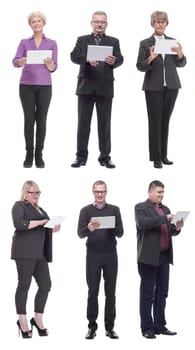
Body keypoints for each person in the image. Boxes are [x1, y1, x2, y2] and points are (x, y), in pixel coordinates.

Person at [70, 10, 123, 169]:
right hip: (86, 86)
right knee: (83, 123)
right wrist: (86, 59)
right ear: (91, 23)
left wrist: (114, 60)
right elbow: (73, 56)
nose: (99, 24)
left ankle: (105, 157)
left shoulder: (114, 41)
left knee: (105, 124)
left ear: (106, 24)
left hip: (105, 87)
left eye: (103, 22)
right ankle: (80, 157)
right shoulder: (82, 40)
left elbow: (120, 58)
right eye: (97, 21)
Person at [137, 11, 186, 169]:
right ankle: (156, 157)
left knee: (165, 121)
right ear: (152, 24)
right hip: (153, 87)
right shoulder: (145, 43)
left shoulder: (173, 41)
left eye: (162, 22)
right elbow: (139, 66)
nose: (160, 24)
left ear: (166, 24)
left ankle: (164, 155)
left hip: (171, 86)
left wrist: (180, 54)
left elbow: (181, 64)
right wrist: (150, 58)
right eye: (157, 22)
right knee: (155, 122)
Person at [135, 180, 184, 339]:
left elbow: (169, 231)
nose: (161, 195)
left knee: (162, 293)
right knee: (147, 294)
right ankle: (147, 328)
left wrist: (176, 227)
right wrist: (165, 218)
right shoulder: (141, 208)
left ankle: (160, 325)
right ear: (150, 192)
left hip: (164, 256)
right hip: (148, 258)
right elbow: (143, 224)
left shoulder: (166, 209)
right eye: (158, 192)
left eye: (163, 192)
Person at [12, 180, 60, 338]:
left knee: (46, 285)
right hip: (24, 252)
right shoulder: (19, 206)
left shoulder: (41, 209)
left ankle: (38, 319)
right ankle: (22, 321)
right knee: (24, 285)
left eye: (38, 193)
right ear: (25, 193)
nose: (36, 195)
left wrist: (52, 227)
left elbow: (42, 228)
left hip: (40, 253)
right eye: (33, 192)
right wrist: (41, 222)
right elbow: (19, 224)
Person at [77, 180, 124, 339]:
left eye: (102, 191)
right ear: (92, 192)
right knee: (93, 292)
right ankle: (92, 327)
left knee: (111, 292)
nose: (99, 194)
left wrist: (110, 225)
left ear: (106, 192)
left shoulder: (114, 210)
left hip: (110, 254)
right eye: (97, 191)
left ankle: (110, 328)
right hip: (93, 255)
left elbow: (120, 232)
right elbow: (80, 233)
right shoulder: (85, 211)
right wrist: (89, 228)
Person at [13, 11, 57, 168]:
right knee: (29, 120)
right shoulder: (24, 42)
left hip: (45, 85)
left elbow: (54, 66)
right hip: (26, 85)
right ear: (30, 25)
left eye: (39, 21)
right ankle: (28, 153)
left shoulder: (51, 43)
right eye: (33, 22)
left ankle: (39, 154)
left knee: (42, 120)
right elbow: (15, 61)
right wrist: (21, 61)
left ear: (43, 23)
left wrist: (51, 66)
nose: (36, 23)